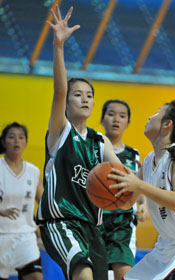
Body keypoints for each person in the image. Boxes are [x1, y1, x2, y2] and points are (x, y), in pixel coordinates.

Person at [36, 5, 121, 280]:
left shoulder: (99, 141)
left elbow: (123, 175)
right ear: (68, 102)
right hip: (61, 222)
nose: (85, 99)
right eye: (78, 95)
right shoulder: (61, 131)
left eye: (89, 95)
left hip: (92, 228)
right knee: (81, 274)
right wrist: (58, 46)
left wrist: (136, 192)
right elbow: (59, 89)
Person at [108, 100, 175, 280]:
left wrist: (139, 185)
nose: (149, 117)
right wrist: (114, 185)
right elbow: (128, 202)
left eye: (156, 113)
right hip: (164, 250)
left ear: (167, 124)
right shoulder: (149, 160)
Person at [100, 99, 147, 280]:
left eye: (122, 116)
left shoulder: (132, 154)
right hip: (95, 220)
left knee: (124, 275)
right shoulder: (92, 148)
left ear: (128, 123)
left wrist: (144, 204)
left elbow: (140, 185)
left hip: (123, 221)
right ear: (102, 119)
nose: (116, 120)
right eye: (111, 114)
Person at [0, 122, 43, 280]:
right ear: (4, 142)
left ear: (26, 142)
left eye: (21, 137)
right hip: (1, 235)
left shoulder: (33, 171)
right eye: (11, 137)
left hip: (25, 236)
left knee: (36, 277)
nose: (17, 141)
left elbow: (45, 204)